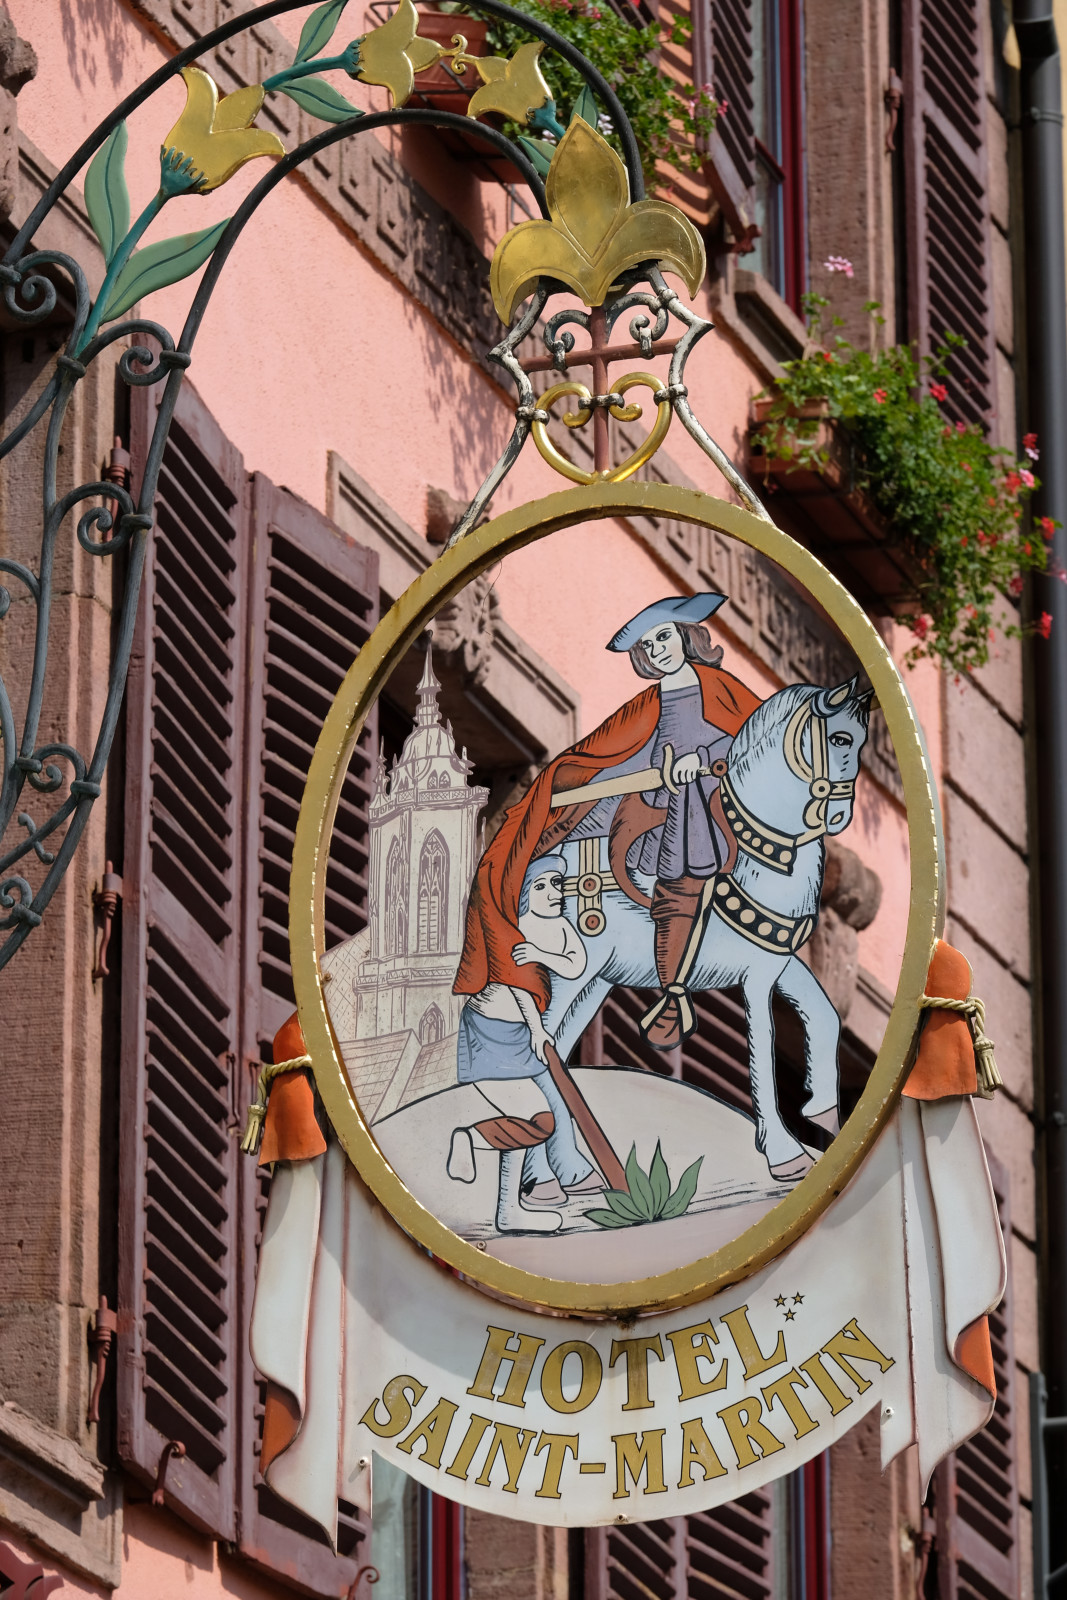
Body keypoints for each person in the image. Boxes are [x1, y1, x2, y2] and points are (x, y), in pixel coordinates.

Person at [455, 593, 761, 1060]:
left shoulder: (718, 687)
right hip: (657, 812)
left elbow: (760, 737)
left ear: (685, 636)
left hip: (712, 810)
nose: (658, 649)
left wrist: (705, 757)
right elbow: (602, 755)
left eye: (664, 637)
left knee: (695, 874)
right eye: (648, 644)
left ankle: (677, 987)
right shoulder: (647, 703)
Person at [448, 855, 597, 1233]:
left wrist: (541, 955)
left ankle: (508, 1209)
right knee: (536, 1119)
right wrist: (537, 1029)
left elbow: (576, 964)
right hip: (490, 1031)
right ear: (525, 893)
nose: (552, 892)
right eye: (540, 886)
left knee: (533, 1120)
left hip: (514, 1035)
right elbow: (518, 987)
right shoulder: (516, 928)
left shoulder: (559, 926)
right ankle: (472, 1142)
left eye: (556, 884)